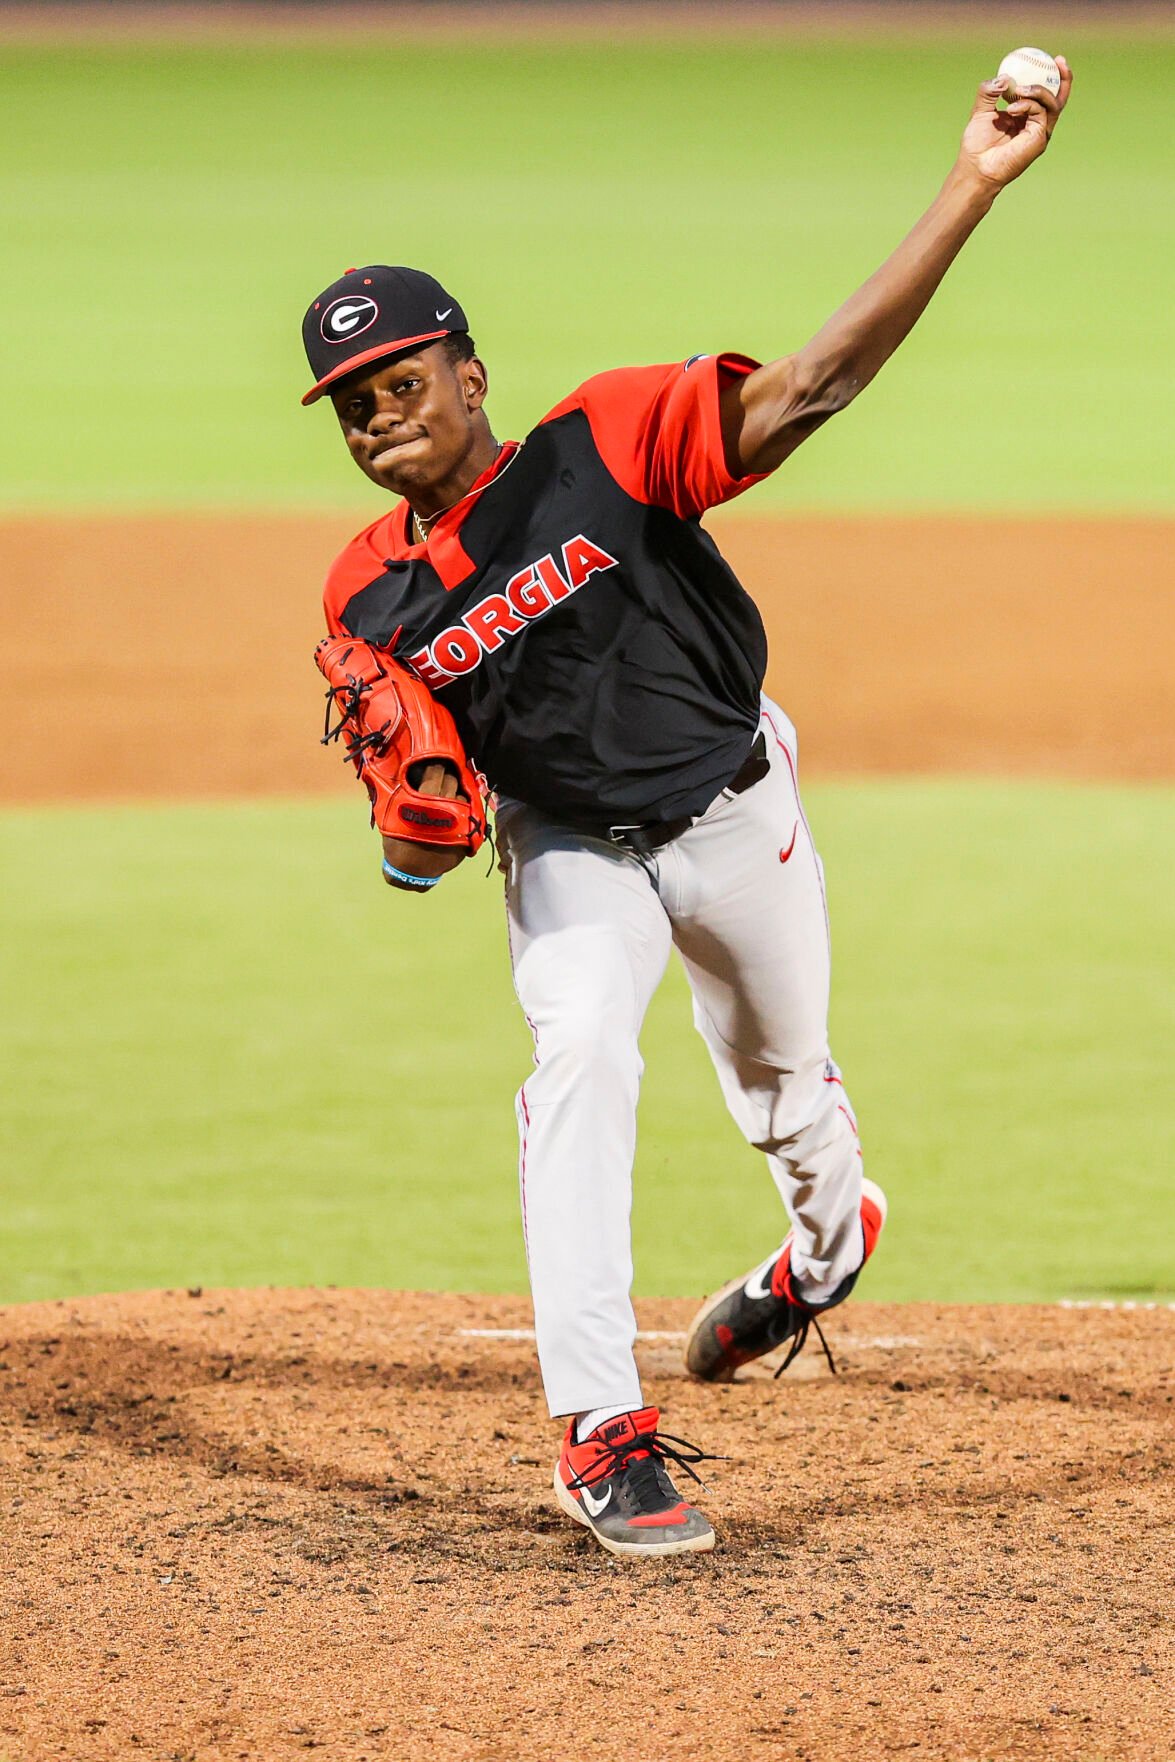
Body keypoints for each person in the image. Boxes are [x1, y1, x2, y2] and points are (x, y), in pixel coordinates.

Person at [301, 65, 1071, 1558]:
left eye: (398, 379)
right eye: (347, 402)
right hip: (573, 847)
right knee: (579, 1045)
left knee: (785, 1086)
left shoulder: (605, 439)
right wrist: (412, 825)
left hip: (733, 806)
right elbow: (417, 846)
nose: (376, 416)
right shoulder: (366, 592)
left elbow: (808, 390)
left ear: (467, 371)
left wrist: (973, 181)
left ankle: (824, 1250)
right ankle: (603, 1430)